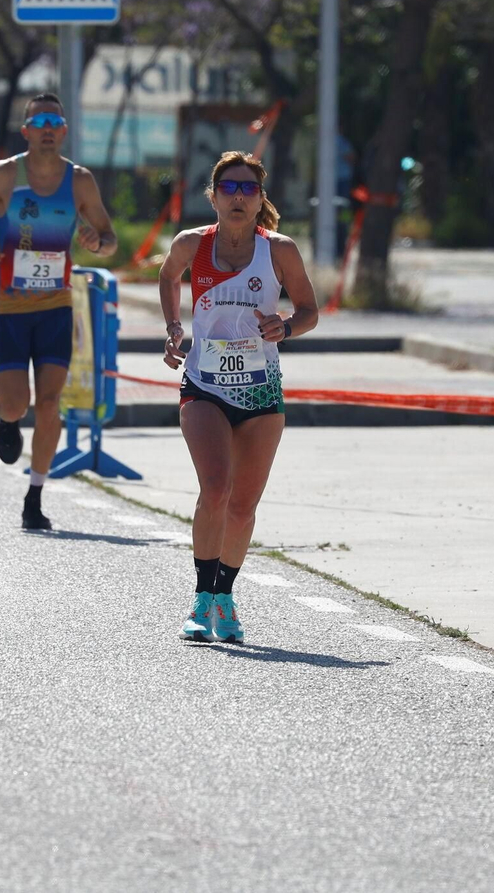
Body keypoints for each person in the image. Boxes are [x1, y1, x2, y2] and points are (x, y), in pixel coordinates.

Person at [159, 151, 319, 643]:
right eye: (228, 188)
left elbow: (310, 310)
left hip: (261, 391)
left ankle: (226, 597)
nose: (238, 197)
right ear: (212, 196)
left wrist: (285, 326)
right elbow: (167, 276)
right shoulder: (192, 244)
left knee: (244, 505)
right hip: (205, 385)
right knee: (216, 487)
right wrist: (172, 327)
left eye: (249, 189)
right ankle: (201, 598)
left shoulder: (280, 250)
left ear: (260, 199)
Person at [0, 94, 118, 531]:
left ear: (64, 130)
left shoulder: (80, 181)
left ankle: (34, 496)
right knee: (17, 403)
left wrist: (96, 243)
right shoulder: (6, 174)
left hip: (55, 306)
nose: (47, 127)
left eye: (55, 121)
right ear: (25, 129)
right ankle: (7, 421)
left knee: (50, 404)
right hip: (10, 305)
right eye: (39, 120)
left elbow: (110, 238)